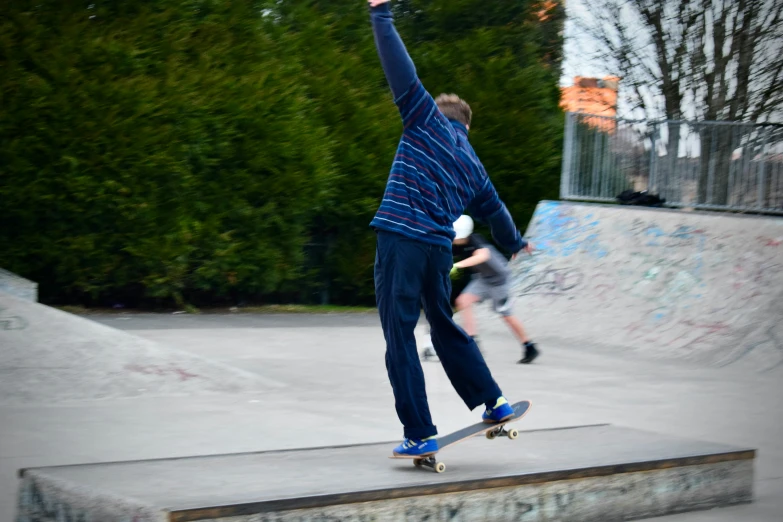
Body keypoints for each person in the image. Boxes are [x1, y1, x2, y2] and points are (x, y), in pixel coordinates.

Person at [368, 0, 531, 457]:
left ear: (441, 114)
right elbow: (496, 209)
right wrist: (514, 242)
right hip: (438, 252)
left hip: (401, 241)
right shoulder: (473, 164)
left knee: (400, 336)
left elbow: (400, 68)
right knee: (443, 323)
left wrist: (381, 13)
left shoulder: (424, 119)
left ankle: (419, 431)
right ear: (469, 128)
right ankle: (493, 402)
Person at [450, 215, 540, 364]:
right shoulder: (456, 243)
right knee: (463, 301)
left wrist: (458, 266)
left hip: (500, 281)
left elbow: (482, 256)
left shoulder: (475, 240)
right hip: (483, 279)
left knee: (505, 315)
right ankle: (473, 342)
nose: (453, 238)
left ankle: (529, 346)